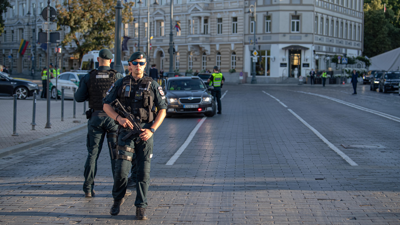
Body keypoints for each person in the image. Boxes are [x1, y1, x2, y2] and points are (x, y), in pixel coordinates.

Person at [103, 51, 167, 220]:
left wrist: (152, 129)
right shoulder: (120, 83)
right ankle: (117, 199)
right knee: (122, 172)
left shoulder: (152, 84)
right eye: (135, 63)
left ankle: (141, 207)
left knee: (143, 173)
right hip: (126, 133)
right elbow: (106, 106)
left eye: (141, 63)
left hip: (145, 133)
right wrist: (119, 119)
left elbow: (162, 109)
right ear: (129, 65)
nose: (138, 66)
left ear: (145, 65)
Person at [74, 49, 131, 198]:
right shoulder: (117, 76)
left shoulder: (89, 77)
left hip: (95, 118)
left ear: (98, 59)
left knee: (92, 154)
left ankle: (88, 188)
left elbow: (79, 98)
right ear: (111, 61)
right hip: (113, 119)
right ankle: (118, 190)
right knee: (115, 155)